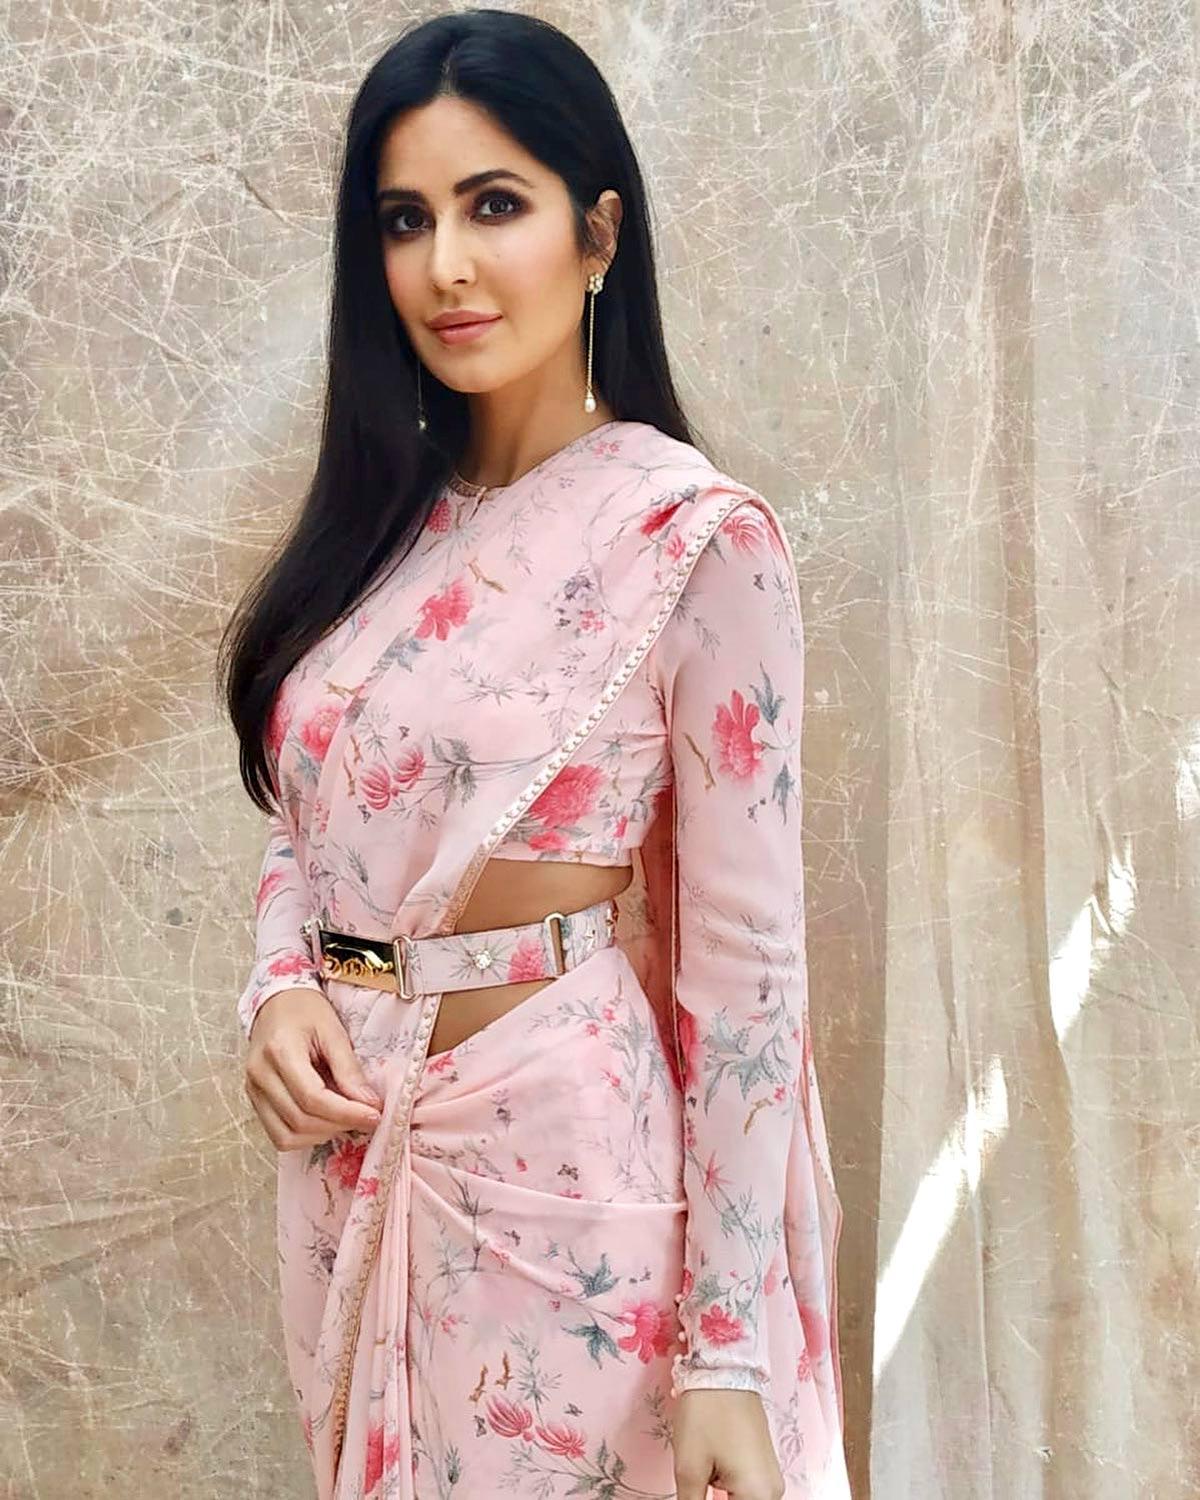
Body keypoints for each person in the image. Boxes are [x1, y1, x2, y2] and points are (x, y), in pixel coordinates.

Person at [218, 11, 848, 1499]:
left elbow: (748, 972)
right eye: (405, 219)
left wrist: (726, 1353)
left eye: (493, 204)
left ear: (597, 232)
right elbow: (313, 816)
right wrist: (279, 984)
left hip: (562, 1184)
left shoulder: (691, 536)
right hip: (349, 1160)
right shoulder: (383, 527)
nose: (446, 264)